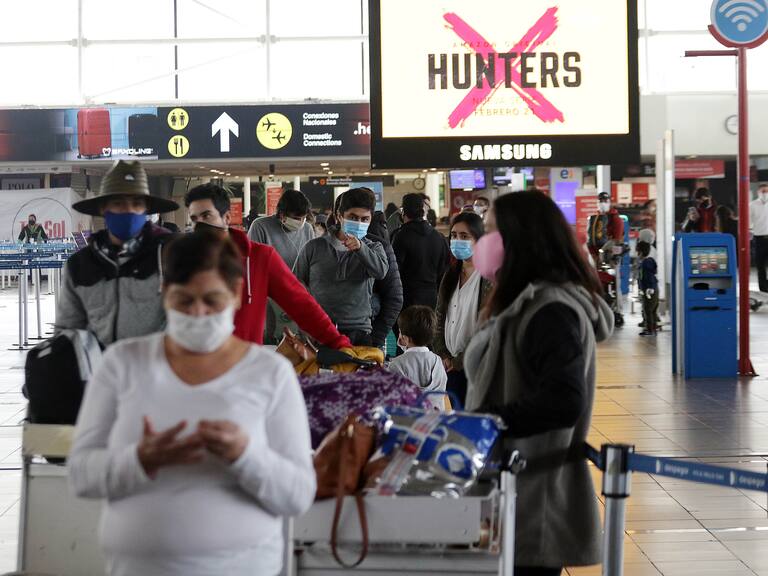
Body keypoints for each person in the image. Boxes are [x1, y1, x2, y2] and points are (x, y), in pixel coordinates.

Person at [69, 231, 315, 576]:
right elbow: (81, 475)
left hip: (244, 565)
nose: (198, 313)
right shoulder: (123, 364)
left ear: (235, 296)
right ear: (165, 295)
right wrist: (140, 459)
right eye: (184, 301)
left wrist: (246, 456)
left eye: (211, 301)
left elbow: (297, 495)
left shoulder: (270, 373)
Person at [463, 190, 613, 576]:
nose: (484, 242)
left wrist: (486, 421)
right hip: (511, 492)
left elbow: (564, 400)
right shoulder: (522, 303)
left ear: (521, 239)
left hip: (533, 498)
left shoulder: (551, 311)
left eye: (493, 230)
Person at [184, 183, 350, 349]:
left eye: (206, 216)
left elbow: (301, 304)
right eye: (194, 219)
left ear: (226, 218)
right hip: (192, 366)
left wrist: (338, 344)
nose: (199, 225)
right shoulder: (181, 259)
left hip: (244, 365)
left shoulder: (259, 258)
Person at [56, 160, 178, 346]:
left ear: (146, 209)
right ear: (103, 209)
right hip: (100, 371)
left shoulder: (170, 255)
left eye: (136, 203)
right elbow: (68, 331)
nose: (128, 210)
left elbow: (190, 320)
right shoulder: (80, 265)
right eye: (118, 203)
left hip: (157, 369)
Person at [295, 187, 389, 346]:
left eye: (365, 219)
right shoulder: (314, 247)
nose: (359, 223)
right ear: (339, 216)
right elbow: (295, 283)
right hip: (319, 330)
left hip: (359, 331)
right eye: (353, 217)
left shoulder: (374, 248)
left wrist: (361, 249)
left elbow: (380, 272)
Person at [434, 212, 492, 405]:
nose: (457, 240)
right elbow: (440, 315)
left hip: (476, 365)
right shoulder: (450, 275)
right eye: (454, 236)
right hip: (450, 366)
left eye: (465, 236)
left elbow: (487, 328)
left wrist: (459, 361)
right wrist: (443, 354)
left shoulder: (489, 278)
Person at [247, 189, 316, 344]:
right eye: (296, 218)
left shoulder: (307, 229)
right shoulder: (260, 226)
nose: (300, 222)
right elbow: (252, 266)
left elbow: (311, 263)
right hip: (269, 297)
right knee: (272, 338)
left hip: (299, 295)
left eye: (304, 218)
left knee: (302, 343)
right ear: (282, 214)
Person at [391, 193, 450, 310]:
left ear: (403, 212)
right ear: (423, 211)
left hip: (407, 299)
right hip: (433, 298)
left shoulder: (400, 236)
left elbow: (394, 271)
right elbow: (444, 270)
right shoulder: (439, 237)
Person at [388, 306, 447, 411]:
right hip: (435, 422)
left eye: (400, 332)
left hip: (407, 423)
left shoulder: (396, 364)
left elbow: (393, 400)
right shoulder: (438, 361)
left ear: (405, 338)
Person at [367, 210, 404, 350]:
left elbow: (394, 297)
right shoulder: (327, 246)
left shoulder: (381, 246)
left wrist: (376, 337)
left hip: (371, 328)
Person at [587, 191, 625, 266]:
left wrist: (606, 254)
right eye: (600, 201)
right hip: (595, 255)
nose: (603, 203)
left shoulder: (616, 219)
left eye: (605, 201)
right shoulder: (595, 218)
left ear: (609, 202)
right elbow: (592, 237)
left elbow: (617, 240)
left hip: (609, 256)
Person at [636, 240, 659, 337]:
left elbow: (648, 276)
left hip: (649, 290)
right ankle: (652, 328)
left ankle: (650, 330)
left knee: (648, 310)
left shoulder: (646, 263)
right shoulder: (646, 262)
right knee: (651, 310)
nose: (637, 254)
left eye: (637, 251)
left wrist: (649, 288)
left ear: (640, 252)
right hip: (650, 289)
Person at [750, 184, 768, 292]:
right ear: (758, 192)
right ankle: (763, 289)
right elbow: (749, 222)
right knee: (760, 266)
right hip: (759, 239)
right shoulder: (752, 205)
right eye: (763, 191)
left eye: (767, 191)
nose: (765, 194)